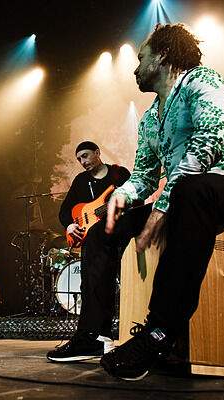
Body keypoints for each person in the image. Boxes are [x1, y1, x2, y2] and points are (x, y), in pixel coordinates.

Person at [96, 23, 224, 380]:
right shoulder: (148, 120)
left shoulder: (204, 81)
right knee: (101, 232)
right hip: (187, 199)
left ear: (161, 56)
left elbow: (210, 139)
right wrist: (121, 197)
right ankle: (90, 334)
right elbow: (144, 176)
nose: (135, 67)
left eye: (141, 58)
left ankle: (160, 331)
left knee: (192, 191)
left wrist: (161, 210)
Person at [46, 141, 131, 362]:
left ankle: (101, 335)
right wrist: (70, 225)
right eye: (79, 159)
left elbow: (134, 199)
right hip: (93, 239)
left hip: (119, 234)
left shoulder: (119, 175)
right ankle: (99, 336)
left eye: (85, 156)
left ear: (97, 153)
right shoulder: (80, 181)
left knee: (110, 283)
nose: (83, 162)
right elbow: (65, 211)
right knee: (91, 282)